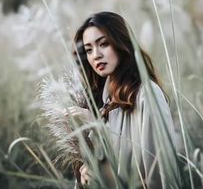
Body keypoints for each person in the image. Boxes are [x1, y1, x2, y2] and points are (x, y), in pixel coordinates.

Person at [66, 11, 178, 188]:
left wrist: (95, 126)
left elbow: (158, 177)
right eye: (88, 50)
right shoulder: (103, 102)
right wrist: (92, 173)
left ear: (121, 44)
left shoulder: (147, 95)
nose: (95, 55)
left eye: (103, 44)